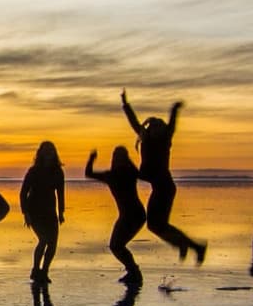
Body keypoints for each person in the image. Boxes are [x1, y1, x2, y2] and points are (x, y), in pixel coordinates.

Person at [122, 90, 206, 264]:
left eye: (159, 126)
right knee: (157, 225)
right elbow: (134, 122)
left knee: (156, 225)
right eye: (153, 127)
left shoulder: (165, 140)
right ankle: (184, 245)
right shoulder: (145, 138)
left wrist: (175, 110)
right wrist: (125, 103)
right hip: (160, 188)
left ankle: (193, 247)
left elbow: (172, 124)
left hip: (165, 188)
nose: (155, 129)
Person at [86, 146, 147, 285]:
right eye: (117, 156)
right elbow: (88, 173)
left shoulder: (128, 173)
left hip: (135, 215)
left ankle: (135, 273)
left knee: (116, 245)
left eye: (121, 156)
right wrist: (91, 159)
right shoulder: (113, 175)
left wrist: (92, 159)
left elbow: (141, 173)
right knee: (117, 246)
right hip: (128, 216)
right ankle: (133, 272)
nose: (118, 160)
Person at [18, 142, 66, 283]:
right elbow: (23, 193)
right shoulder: (34, 171)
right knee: (44, 239)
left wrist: (61, 212)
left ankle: (44, 271)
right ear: (41, 153)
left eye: (51, 151)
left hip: (50, 210)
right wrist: (25, 212)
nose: (48, 154)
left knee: (52, 244)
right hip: (34, 210)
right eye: (46, 152)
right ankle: (35, 269)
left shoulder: (58, 171)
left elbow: (61, 193)